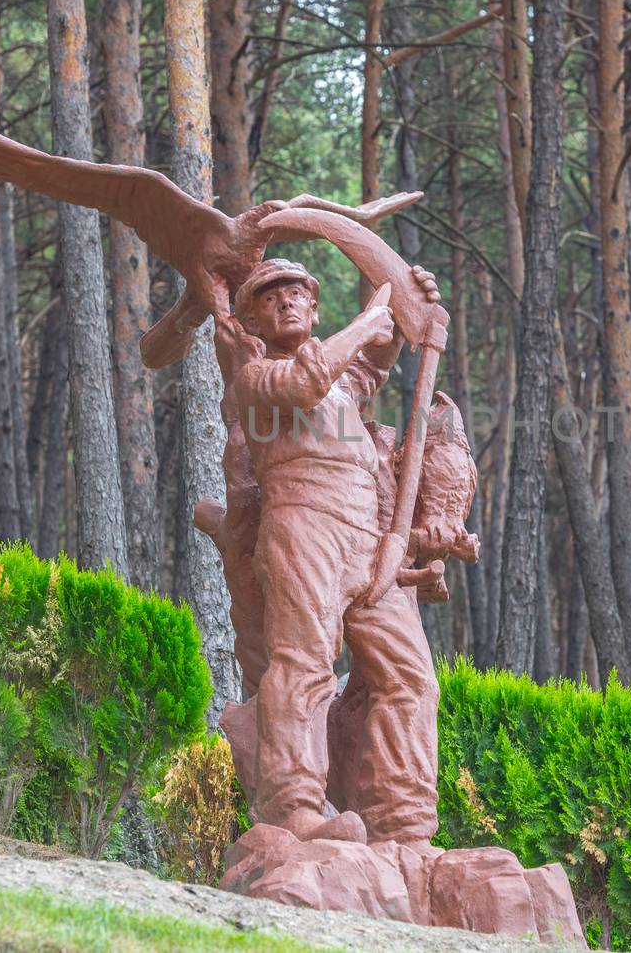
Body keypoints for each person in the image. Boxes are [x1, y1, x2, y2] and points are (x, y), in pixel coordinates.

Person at [224, 257, 441, 848]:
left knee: (411, 676)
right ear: (251, 322)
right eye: (270, 300)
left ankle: (402, 818)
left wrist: (403, 299)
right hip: (303, 526)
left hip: (369, 539)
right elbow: (305, 381)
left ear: (316, 309)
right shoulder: (257, 378)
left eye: (297, 294)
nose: (287, 303)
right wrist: (372, 320)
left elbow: (370, 361)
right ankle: (293, 805)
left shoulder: (345, 381)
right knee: (303, 662)